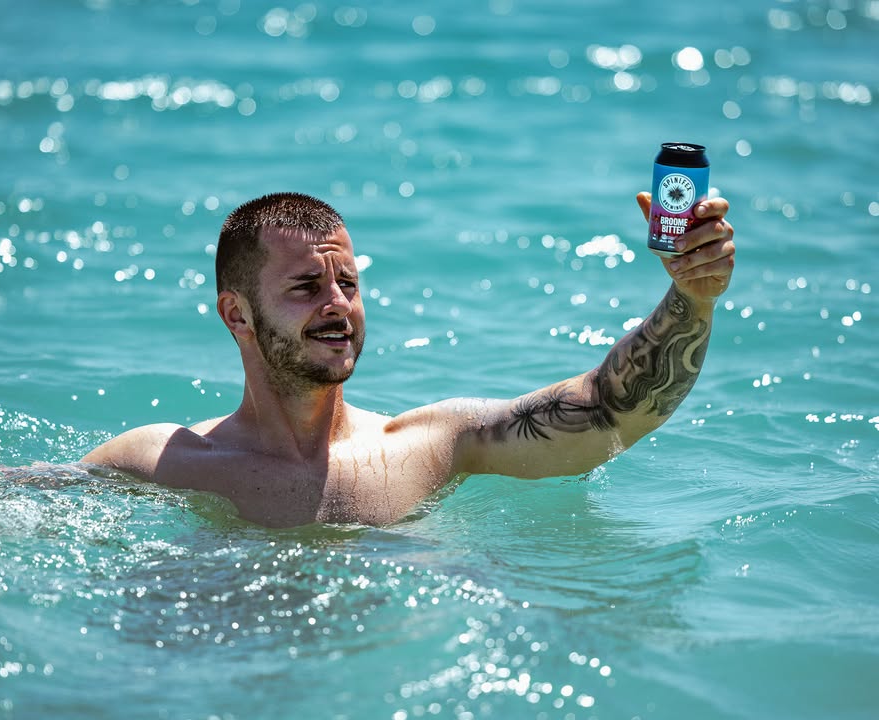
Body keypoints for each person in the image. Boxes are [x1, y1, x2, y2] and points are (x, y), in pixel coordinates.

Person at [82, 191, 735, 527]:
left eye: (350, 285)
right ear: (237, 315)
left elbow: (612, 411)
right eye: (307, 288)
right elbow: (5, 510)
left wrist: (693, 298)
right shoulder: (161, 463)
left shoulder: (434, 446)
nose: (340, 305)